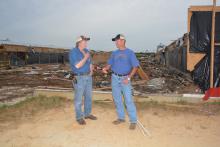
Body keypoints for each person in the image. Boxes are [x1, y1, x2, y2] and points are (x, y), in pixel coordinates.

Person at [102, 34, 139, 130]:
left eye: (117, 41)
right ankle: (121, 118)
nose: (115, 42)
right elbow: (110, 63)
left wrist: (129, 78)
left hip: (125, 79)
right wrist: (105, 68)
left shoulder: (130, 53)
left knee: (128, 100)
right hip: (114, 77)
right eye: (115, 41)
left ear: (122, 41)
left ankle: (133, 120)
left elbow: (135, 67)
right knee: (117, 99)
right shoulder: (114, 53)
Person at [69, 35, 97, 125]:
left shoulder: (86, 51)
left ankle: (87, 114)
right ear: (79, 43)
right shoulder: (74, 52)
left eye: (86, 41)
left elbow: (90, 63)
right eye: (84, 41)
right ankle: (79, 117)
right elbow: (77, 65)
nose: (86, 43)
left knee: (88, 97)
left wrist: (91, 71)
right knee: (79, 99)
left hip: (88, 77)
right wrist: (85, 57)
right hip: (79, 77)